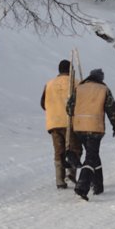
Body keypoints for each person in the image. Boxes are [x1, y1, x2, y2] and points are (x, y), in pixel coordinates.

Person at [69, 67, 115, 200]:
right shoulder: (104, 90)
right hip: (95, 128)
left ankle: (98, 185)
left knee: (93, 155)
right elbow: (112, 111)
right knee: (91, 157)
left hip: (79, 127)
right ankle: (82, 186)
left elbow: (69, 108)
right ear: (100, 78)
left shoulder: (79, 88)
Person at [40, 59, 74, 189]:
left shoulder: (49, 84)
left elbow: (43, 104)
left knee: (58, 150)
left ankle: (60, 180)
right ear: (70, 70)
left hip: (53, 122)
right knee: (73, 148)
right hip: (70, 122)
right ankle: (72, 173)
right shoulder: (75, 83)